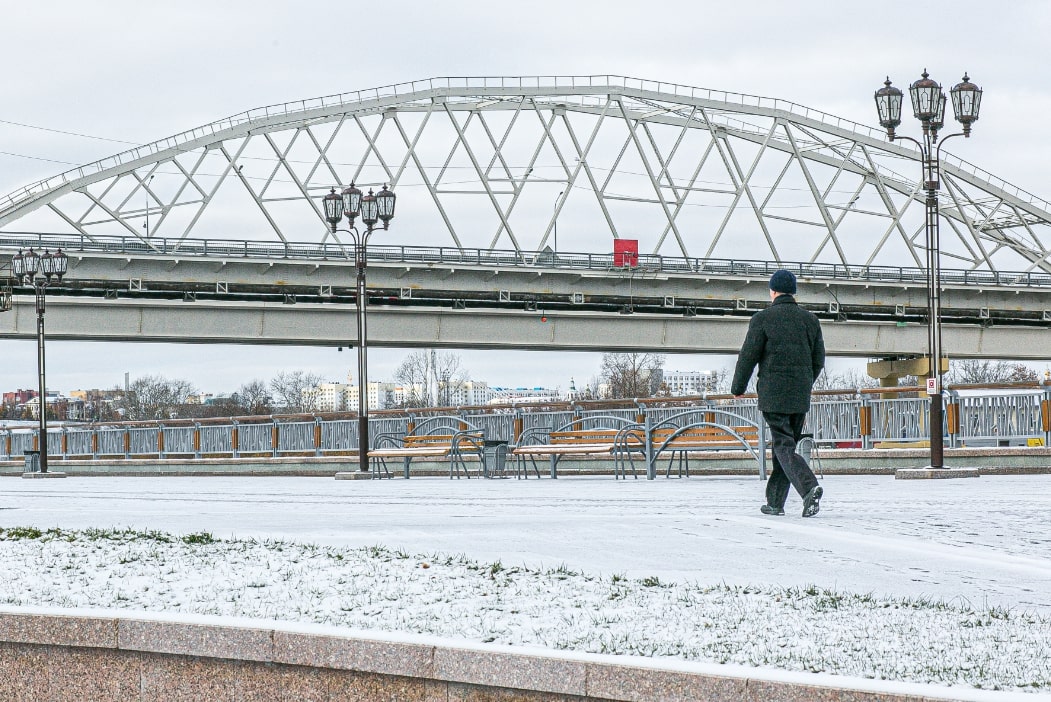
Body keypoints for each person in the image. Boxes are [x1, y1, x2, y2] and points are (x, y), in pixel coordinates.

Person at [730, 269, 826, 517]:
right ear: (793, 292)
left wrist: (738, 388)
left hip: (773, 395)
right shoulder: (810, 320)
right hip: (799, 395)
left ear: (772, 291)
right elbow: (818, 360)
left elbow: (748, 356)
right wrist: (805, 382)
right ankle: (775, 502)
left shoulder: (763, 319)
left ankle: (808, 487)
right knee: (786, 447)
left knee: (783, 446)